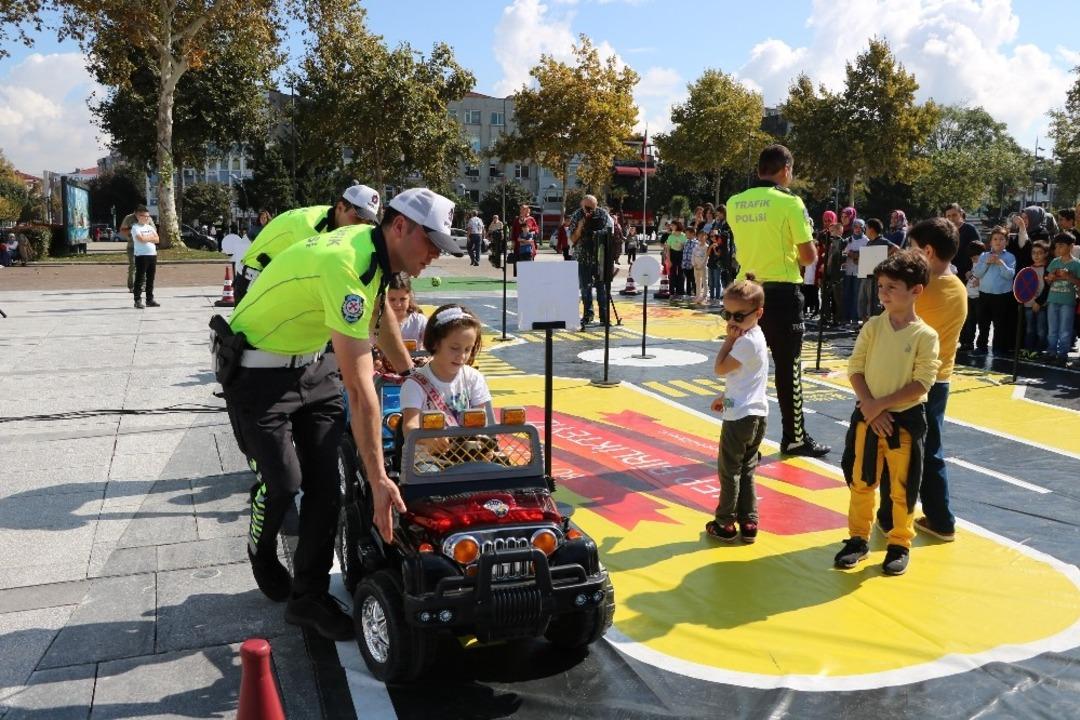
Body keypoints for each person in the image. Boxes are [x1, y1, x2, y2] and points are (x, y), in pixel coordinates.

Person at [220, 187, 458, 640]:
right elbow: (359, 386)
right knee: (283, 483)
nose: (434, 255)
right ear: (400, 226)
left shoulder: (375, 254)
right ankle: (261, 548)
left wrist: (412, 374)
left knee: (326, 488)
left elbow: (381, 307)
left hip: (312, 366)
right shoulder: (346, 264)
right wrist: (380, 477)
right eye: (430, 243)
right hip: (258, 372)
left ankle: (307, 598)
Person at [836, 250, 940, 576]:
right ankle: (857, 539)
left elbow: (922, 382)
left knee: (902, 487)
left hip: (903, 421)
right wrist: (869, 405)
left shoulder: (925, 335)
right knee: (861, 480)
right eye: (881, 285)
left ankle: (899, 543)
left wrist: (879, 405)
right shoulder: (872, 326)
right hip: (868, 417)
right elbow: (855, 369)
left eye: (891, 286)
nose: (883, 292)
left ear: (915, 291)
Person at [726, 144, 826, 457]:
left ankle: (744, 438)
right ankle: (794, 436)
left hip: (745, 289)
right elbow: (808, 257)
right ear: (785, 170)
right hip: (782, 292)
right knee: (788, 367)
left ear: (759, 170)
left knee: (743, 365)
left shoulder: (734, 202)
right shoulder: (790, 203)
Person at [876, 218, 967, 543]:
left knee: (898, 451)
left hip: (909, 382)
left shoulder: (923, 290)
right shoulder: (956, 285)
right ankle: (940, 518)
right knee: (931, 450)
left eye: (913, 250)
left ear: (927, 252)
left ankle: (891, 517)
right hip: (939, 379)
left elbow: (892, 315)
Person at [236, 184, 381, 302]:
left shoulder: (336, 221)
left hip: (276, 277)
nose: (361, 226)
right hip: (254, 279)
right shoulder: (310, 227)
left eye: (368, 222)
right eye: (357, 218)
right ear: (340, 208)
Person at [704, 275, 768, 543]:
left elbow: (720, 369)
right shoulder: (756, 335)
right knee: (747, 468)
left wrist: (728, 341)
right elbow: (743, 382)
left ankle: (725, 522)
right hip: (754, 412)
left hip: (739, 418)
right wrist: (724, 398)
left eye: (739, 316)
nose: (731, 322)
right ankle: (749, 520)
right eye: (726, 314)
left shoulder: (744, 342)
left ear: (758, 313)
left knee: (729, 470)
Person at [400, 304, 493, 448]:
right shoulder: (415, 384)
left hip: (468, 456)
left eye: (468, 349)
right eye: (454, 348)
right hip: (428, 460)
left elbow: (482, 423)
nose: (461, 356)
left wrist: (485, 448)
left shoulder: (474, 378)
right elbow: (409, 426)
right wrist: (428, 440)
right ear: (436, 343)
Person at [569, 195, 615, 327]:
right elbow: (572, 238)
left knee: (602, 287)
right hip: (583, 256)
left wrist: (596, 233)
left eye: (592, 207)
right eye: (587, 207)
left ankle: (604, 317)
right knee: (585, 287)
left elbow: (609, 232)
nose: (589, 210)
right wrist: (580, 227)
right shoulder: (577, 215)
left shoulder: (602, 214)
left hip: (599, 256)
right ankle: (588, 315)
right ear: (582, 205)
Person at [972, 226, 1017, 357]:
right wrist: (986, 262)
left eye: (1002, 239)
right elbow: (978, 273)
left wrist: (1000, 263)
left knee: (1000, 324)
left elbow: (1010, 275)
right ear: (990, 242)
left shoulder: (1010, 257)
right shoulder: (984, 255)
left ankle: (998, 348)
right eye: (995, 239)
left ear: (1006, 242)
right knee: (983, 322)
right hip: (985, 294)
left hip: (1002, 295)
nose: (998, 241)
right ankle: (981, 347)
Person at [1044, 233, 1080, 366]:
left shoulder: (1077, 264)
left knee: (1065, 330)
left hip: (1068, 302)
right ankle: (1051, 352)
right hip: (1053, 299)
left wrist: (1069, 277)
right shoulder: (1055, 262)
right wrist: (1050, 278)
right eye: (1056, 246)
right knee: (1052, 329)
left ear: (1071, 246)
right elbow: (1048, 281)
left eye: (1061, 245)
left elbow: (1079, 282)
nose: (1058, 248)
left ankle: (1062, 354)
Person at [1019, 242, 1051, 359]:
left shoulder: (1047, 269)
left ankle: (1039, 350)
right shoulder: (1028, 269)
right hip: (1028, 304)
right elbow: (1024, 286)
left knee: (1041, 330)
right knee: (1029, 328)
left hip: (1042, 305)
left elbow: (1047, 288)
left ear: (1046, 254)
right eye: (1034, 253)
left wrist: (1039, 302)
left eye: (1039, 253)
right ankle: (1028, 349)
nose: (1036, 255)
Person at [130, 206, 160, 309]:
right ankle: (137, 300)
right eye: (145, 216)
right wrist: (150, 238)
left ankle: (149, 299)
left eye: (148, 216)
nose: (147, 218)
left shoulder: (150, 227)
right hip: (141, 256)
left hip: (152, 255)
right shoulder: (135, 227)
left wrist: (148, 238)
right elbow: (141, 239)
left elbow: (157, 239)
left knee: (150, 278)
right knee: (140, 278)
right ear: (139, 216)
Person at [944, 203, 981, 280]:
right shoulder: (944, 231)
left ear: (960, 214)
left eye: (954, 215)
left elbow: (978, 251)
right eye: (948, 216)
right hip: (949, 273)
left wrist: (971, 270)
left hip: (967, 274)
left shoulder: (970, 229)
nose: (951, 218)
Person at [664, 221, 687, 297]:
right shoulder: (671, 236)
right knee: (672, 273)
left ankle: (680, 291)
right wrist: (669, 260)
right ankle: (671, 291)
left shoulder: (684, 236)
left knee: (681, 273)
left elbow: (685, 247)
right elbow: (668, 249)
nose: (671, 227)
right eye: (671, 226)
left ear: (677, 226)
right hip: (673, 254)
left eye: (673, 225)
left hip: (681, 254)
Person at [690, 228, 709, 304]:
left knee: (704, 281)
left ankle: (705, 296)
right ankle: (698, 295)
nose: (700, 238)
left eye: (702, 236)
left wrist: (701, 265)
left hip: (703, 267)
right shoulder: (696, 246)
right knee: (697, 281)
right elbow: (693, 255)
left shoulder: (707, 247)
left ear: (705, 236)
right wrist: (694, 264)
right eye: (699, 236)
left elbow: (706, 257)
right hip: (696, 267)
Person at [706, 230, 724, 304]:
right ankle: (712, 297)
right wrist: (711, 247)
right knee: (711, 282)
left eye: (714, 236)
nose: (712, 238)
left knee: (717, 281)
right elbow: (707, 254)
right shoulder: (710, 243)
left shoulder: (720, 244)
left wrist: (714, 248)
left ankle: (717, 297)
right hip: (710, 264)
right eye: (711, 236)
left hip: (717, 265)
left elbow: (718, 255)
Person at [681, 228, 699, 299]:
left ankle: (695, 293)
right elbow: (684, 252)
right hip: (686, 264)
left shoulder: (696, 243)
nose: (686, 235)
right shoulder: (686, 242)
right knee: (688, 280)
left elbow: (696, 254)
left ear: (692, 234)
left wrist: (694, 263)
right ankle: (688, 294)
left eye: (687, 233)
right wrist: (683, 263)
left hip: (693, 265)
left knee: (694, 280)